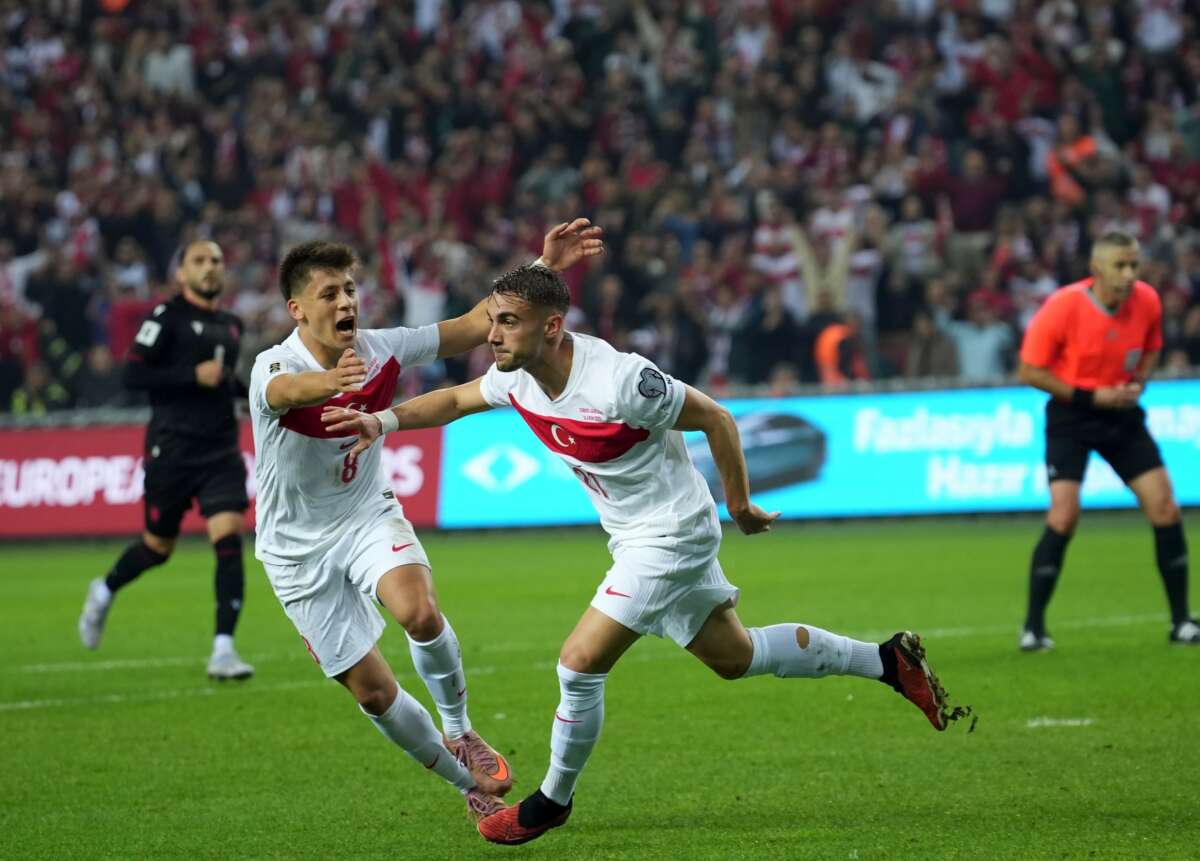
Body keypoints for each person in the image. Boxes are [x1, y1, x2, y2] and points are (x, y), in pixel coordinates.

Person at [323, 263, 971, 846]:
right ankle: (887, 660)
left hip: (671, 532)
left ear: (552, 327)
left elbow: (716, 417)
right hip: (634, 535)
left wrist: (741, 505)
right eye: (492, 320)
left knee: (579, 662)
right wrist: (383, 421)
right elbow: (456, 399)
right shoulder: (517, 377)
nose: (492, 335)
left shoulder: (623, 380)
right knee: (735, 656)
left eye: (508, 322)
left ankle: (551, 801)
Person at [250, 222, 602, 821]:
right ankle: (466, 783)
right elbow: (285, 392)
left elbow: (471, 325)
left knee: (419, 611)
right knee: (373, 692)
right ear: (297, 309)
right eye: (329, 293)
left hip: (365, 514)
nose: (346, 302)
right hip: (294, 552)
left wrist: (543, 268)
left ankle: (460, 729)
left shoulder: (382, 347)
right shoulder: (273, 365)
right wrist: (327, 383)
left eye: (350, 289)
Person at [78, 240, 255, 679]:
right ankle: (104, 589)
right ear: (181, 274)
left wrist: (262, 395)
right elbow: (133, 373)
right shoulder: (165, 316)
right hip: (172, 450)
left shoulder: (232, 325)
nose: (210, 267)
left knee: (229, 539)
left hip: (220, 451)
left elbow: (225, 383)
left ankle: (223, 650)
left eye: (216, 260)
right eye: (199, 261)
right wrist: (191, 375)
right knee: (157, 548)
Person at [1017, 230, 1198, 650]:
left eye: (1134, 264)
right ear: (1096, 268)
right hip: (1072, 415)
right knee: (1064, 516)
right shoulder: (1063, 305)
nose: (1130, 273)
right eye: (1120, 265)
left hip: (1121, 414)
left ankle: (1182, 623)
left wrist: (1138, 383)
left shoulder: (1147, 300)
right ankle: (1033, 628)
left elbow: (1151, 348)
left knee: (1165, 507)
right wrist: (1090, 396)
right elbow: (1029, 371)